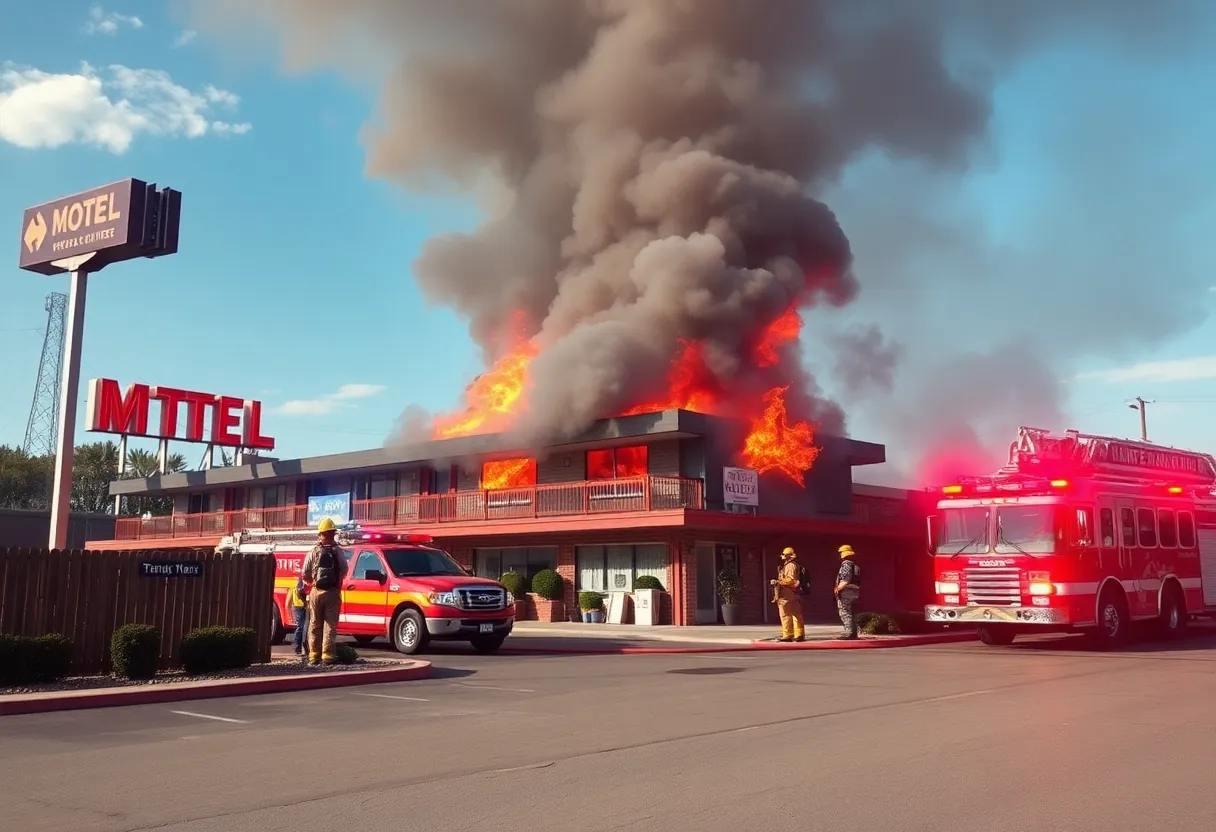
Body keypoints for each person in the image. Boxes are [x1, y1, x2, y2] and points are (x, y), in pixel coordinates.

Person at [301, 518, 348, 665]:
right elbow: (345, 570)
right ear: (333, 533)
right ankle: (327, 656)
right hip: (333, 593)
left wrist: (312, 582)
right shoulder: (338, 551)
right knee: (330, 625)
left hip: (316, 591)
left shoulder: (313, 552)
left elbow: (304, 573)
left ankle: (314, 655)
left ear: (320, 534)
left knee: (315, 624)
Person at [769, 546, 805, 643]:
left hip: (787, 594)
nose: (782, 557)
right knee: (796, 614)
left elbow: (791, 580)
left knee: (785, 614)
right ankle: (799, 634)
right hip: (793, 593)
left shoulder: (790, 566)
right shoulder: (793, 565)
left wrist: (778, 582)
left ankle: (788, 635)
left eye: (784, 555)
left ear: (788, 556)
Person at [834, 544, 861, 640]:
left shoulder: (846, 565)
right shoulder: (856, 566)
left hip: (846, 592)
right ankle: (854, 633)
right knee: (853, 613)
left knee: (845, 612)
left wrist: (838, 589)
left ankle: (848, 633)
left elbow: (845, 579)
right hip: (855, 592)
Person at [285, 575, 309, 656]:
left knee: (301, 627)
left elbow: (288, 602)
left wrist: (290, 615)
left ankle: (298, 647)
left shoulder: (294, 585)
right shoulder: (305, 584)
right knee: (303, 627)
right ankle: (298, 646)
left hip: (297, 607)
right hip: (302, 606)